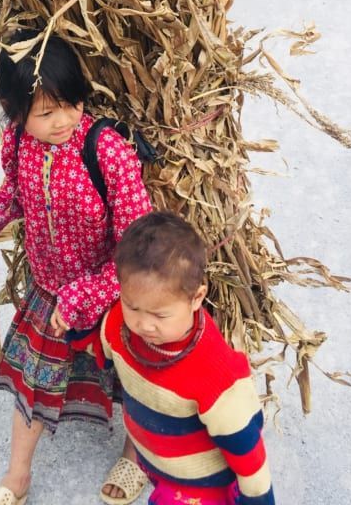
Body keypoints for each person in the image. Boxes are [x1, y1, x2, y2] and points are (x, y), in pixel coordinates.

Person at [0, 29, 153, 505]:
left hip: (110, 294)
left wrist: (90, 293)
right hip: (49, 293)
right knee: (33, 379)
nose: (63, 120)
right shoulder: (20, 145)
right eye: (46, 113)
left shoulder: (105, 151)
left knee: (132, 382)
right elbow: (16, 195)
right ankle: (17, 476)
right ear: (16, 110)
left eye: (72, 104)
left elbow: (139, 244)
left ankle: (135, 456)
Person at [71, 212, 275, 505]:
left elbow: (246, 446)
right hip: (158, 464)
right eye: (133, 307)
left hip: (201, 485)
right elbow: (103, 343)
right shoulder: (121, 322)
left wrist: (258, 497)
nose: (144, 324)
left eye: (159, 314)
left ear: (196, 297)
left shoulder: (214, 374)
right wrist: (76, 333)